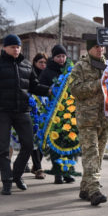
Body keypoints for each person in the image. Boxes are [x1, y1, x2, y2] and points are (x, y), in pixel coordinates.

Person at [0, 34, 50, 195]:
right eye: (13, 46)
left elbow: (34, 86)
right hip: (2, 111)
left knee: (28, 145)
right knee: (3, 149)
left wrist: (50, 90)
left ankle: (16, 176)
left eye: (18, 46)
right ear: (5, 48)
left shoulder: (25, 64)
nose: (16, 49)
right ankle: (6, 182)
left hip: (22, 111)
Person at [69, 38, 108, 206]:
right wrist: (98, 84)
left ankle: (85, 187)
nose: (100, 49)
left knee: (98, 157)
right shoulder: (80, 67)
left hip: (105, 118)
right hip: (88, 119)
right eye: (96, 46)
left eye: (102, 46)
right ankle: (94, 190)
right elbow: (75, 90)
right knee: (91, 155)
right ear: (89, 48)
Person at [39, 45, 75, 184]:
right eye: (58, 56)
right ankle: (58, 173)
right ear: (53, 57)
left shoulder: (72, 70)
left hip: (70, 111)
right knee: (55, 143)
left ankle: (67, 172)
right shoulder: (47, 72)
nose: (61, 59)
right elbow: (40, 90)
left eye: (63, 56)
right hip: (53, 112)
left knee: (69, 143)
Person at [29, 52, 48, 180]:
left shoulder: (47, 75)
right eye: (40, 62)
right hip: (32, 109)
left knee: (43, 141)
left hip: (46, 111)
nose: (43, 65)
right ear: (35, 63)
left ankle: (36, 166)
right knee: (34, 139)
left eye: (45, 62)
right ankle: (38, 168)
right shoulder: (31, 73)